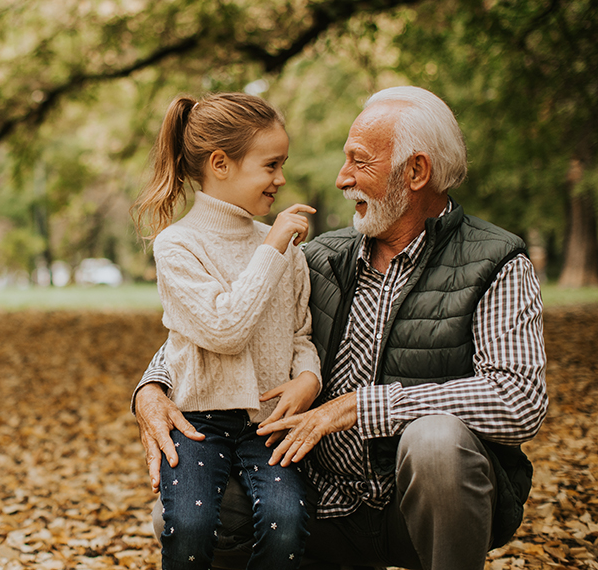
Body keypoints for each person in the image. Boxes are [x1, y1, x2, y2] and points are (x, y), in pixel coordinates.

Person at [133, 86, 548, 570]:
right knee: (181, 516)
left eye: (359, 161)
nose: (340, 178)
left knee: (436, 444)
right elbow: (219, 322)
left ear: (416, 171)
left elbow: (520, 401)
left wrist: (364, 407)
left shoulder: (495, 262)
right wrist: (151, 388)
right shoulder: (317, 257)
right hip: (321, 502)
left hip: (417, 512)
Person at [132, 92, 324, 569]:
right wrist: (273, 246)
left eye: (283, 164)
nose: (280, 178)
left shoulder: (287, 249)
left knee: (287, 524)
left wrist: (309, 378)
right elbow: (225, 328)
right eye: (270, 165)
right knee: (191, 528)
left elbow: (301, 333)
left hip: (269, 424)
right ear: (220, 163)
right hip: (198, 422)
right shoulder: (177, 246)